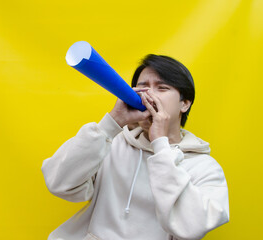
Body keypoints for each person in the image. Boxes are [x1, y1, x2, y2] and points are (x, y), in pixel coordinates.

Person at [42, 54, 229, 240]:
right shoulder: (112, 142)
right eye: (142, 86)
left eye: (162, 88)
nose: (149, 94)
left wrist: (160, 145)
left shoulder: (205, 168)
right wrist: (111, 123)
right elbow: (59, 183)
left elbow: (193, 227)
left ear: (185, 104)